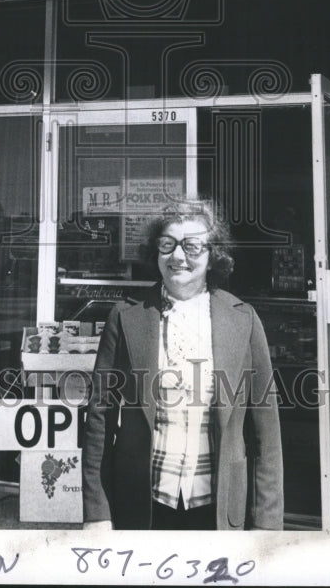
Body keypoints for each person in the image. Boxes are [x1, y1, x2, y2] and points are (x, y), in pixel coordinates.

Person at [82, 200, 283, 531]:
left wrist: (268, 521)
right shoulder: (125, 317)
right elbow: (99, 418)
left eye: (191, 246)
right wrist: (97, 512)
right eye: (167, 244)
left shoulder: (243, 319)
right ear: (155, 250)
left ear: (211, 254)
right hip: (141, 504)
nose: (178, 257)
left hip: (218, 505)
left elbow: (267, 429)